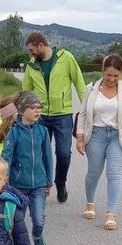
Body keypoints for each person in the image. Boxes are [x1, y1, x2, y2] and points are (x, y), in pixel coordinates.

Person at [75, 53, 122, 230]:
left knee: (114, 174)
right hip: (96, 134)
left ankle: (110, 213)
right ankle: (90, 202)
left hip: (118, 136)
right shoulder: (91, 88)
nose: (112, 79)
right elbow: (83, 113)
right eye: (108, 75)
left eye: (116, 76)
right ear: (102, 72)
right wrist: (80, 138)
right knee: (94, 172)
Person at [22, 31, 86, 203]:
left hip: (63, 114)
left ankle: (61, 182)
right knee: (41, 153)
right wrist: (21, 115)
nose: (31, 53)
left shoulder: (66, 58)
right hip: (40, 116)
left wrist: (88, 110)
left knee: (63, 153)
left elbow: (79, 83)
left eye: (32, 49)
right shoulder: (31, 65)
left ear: (41, 45)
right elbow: (26, 92)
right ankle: (43, 186)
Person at [2, 91, 53, 245]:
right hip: (18, 185)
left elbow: (48, 158)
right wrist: (4, 181)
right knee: (18, 221)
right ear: (23, 110)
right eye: (33, 107)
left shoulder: (43, 132)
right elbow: (6, 158)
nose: (37, 110)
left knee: (39, 218)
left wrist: (49, 181)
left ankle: (37, 236)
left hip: (39, 183)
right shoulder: (14, 133)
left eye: (39, 107)